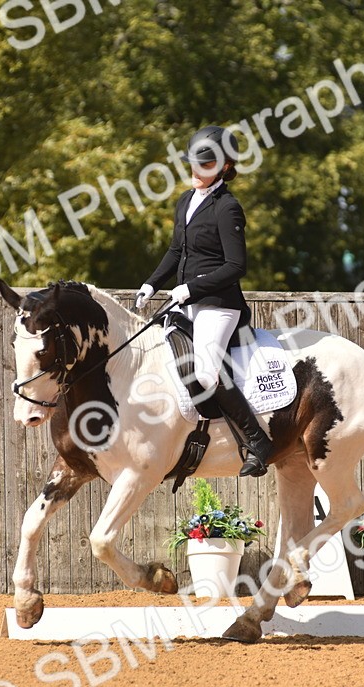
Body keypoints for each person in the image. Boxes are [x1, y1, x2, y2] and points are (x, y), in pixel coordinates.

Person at [135, 125, 273, 477]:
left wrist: (192, 289)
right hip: (188, 302)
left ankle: (257, 442)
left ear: (226, 167)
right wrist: (152, 283)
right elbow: (175, 250)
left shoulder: (228, 208)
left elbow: (236, 266)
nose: (196, 171)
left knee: (206, 371)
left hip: (218, 304)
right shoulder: (185, 199)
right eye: (194, 164)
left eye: (205, 165)